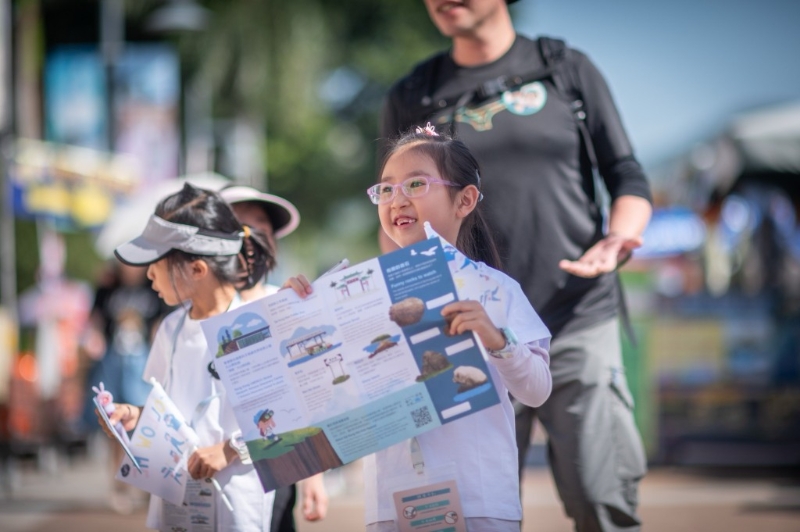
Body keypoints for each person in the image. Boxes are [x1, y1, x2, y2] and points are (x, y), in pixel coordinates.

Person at [379, 1, 652, 531]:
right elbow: (397, 210)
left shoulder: (564, 67)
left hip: (576, 316)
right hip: (460, 327)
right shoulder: (414, 92)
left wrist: (617, 238)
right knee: (478, 505)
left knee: (602, 498)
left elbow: (627, 174)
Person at [285, 125, 553, 531]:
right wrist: (300, 315)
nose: (398, 199)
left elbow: (536, 390)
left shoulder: (494, 289)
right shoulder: (357, 294)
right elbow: (328, 397)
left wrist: (498, 340)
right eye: (386, 189)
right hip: (392, 503)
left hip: (479, 497)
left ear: (465, 200)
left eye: (415, 183)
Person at [101, 183, 277, 531]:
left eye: (157, 263)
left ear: (197, 269)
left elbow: (284, 418)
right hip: (175, 505)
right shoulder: (170, 329)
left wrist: (228, 450)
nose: (148, 273)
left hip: (237, 503)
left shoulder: (256, 325)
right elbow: (169, 410)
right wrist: (134, 417)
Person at [219, 185, 329, 530]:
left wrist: (313, 475)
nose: (249, 236)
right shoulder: (195, 318)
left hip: (277, 472)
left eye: (260, 226)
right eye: (238, 226)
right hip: (213, 475)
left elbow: (306, 393)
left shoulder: (286, 303)